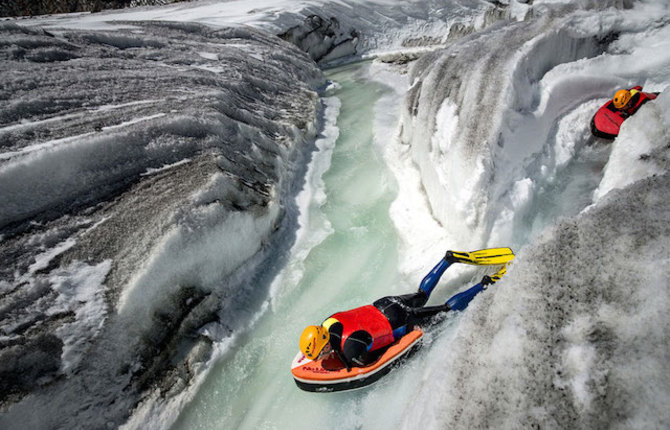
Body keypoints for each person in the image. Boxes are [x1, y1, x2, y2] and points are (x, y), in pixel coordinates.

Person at [299, 249, 511, 370]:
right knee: (421, 295)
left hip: (397, 321)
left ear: (326, 345)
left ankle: (485, 283)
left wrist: (348, 362)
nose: (319, 360)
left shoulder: (350, 349)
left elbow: (370, 362)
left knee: (446, 310)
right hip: (384, 303)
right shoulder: (328, 323)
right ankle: (448, 260)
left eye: (319, 355)